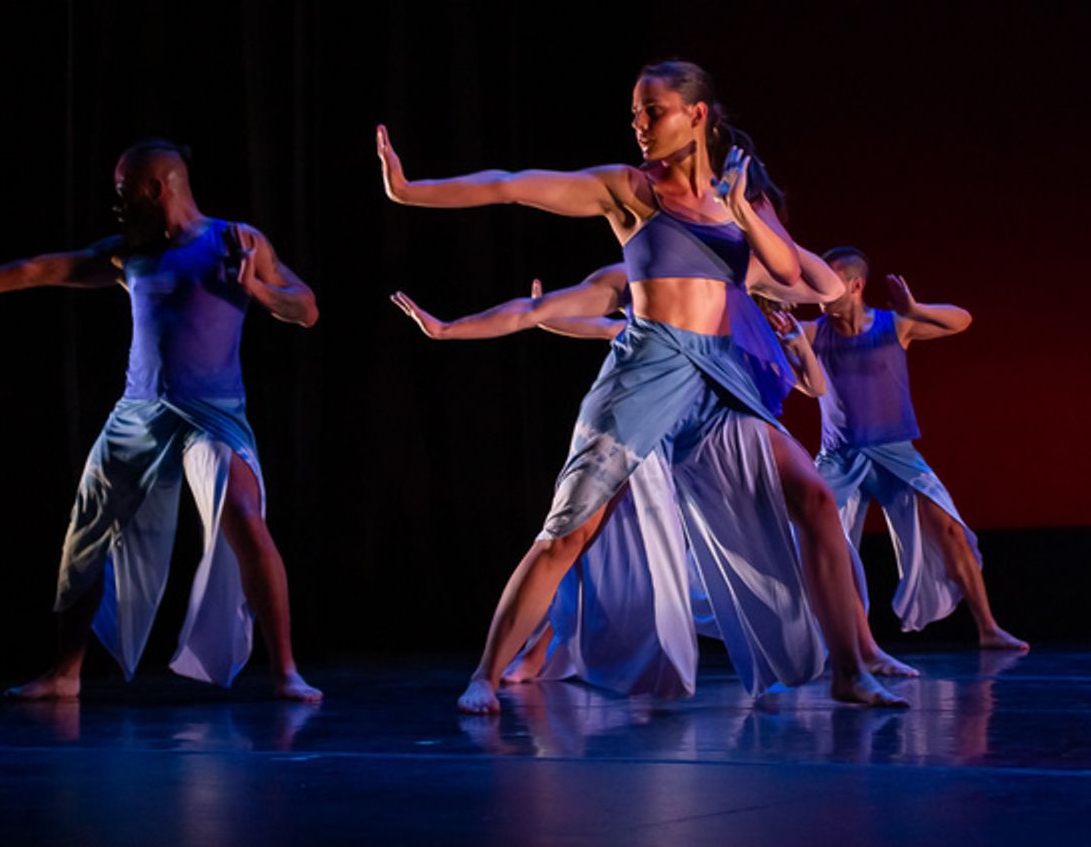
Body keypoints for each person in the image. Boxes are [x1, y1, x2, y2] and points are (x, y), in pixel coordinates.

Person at [379, 59, 907, 711]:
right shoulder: (629, 190)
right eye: (635, 113)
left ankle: (851, 673)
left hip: (719, 378)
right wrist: (412, 191)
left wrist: (743, 211)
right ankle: (484, 674)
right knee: (570, 531)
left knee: (815, 501)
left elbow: (816, 283)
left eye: (651, 111)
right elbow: (515, 186)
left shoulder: (745, 198)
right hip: (646, 367)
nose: (639, 124)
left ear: (697, 115)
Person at [392, 252, 917, 695]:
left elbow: (816, 377)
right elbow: (584, 318)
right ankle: (514, 661)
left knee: (819, 516)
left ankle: (861, 656)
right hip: (651, 434)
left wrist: (798, 341)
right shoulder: (654, 280)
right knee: (576, 539)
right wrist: (463, 326)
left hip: (719, 443)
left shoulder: (748, 301)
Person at [0, 139, 323, 700]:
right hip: (139, 412)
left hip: (212, 414)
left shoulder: (234, 241)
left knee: (245, 517)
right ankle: (65, 673)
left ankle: (286, 671)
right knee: (85, 534)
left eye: (122, 190)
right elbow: (40, 270)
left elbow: (306, 307)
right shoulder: (129, 253)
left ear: (155, 190)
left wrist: (255, 287)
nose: (117, 201)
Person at [804, 247, 1027, 650]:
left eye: (830, 278)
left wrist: (916, 307)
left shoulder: (894, 326)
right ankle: (859, 646)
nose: (820, 287)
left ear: (855, 285)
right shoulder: (814, 333)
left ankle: (988, 629)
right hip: (840, 459)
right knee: (825, 547)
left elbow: (963, 321)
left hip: (896, 454)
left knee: (950, 530)